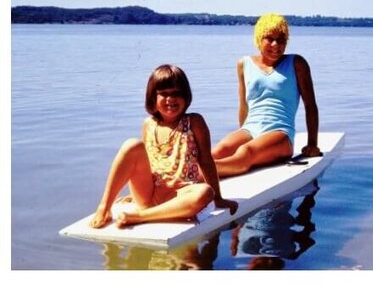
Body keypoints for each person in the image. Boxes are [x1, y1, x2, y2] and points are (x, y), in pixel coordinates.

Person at [90, 64, 238, 229]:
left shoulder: (194, 122)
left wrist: (218, 198)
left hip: (180, 196)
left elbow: (206, 160)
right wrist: (133, 195)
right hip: (150, 194)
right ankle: (104, 207)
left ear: (186, 96)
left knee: (205, 192)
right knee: (132, 145)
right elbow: (145, 165)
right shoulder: (148, 124)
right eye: (164, 94)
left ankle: (141, 216)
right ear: (153, 98)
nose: (170, 99)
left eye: (176, 94)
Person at [212, 12, 321, 177]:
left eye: (281, 39)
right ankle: (179, 175)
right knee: (218, 151)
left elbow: (310, 106)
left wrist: (312, 144)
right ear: (258, 39)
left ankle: (194, 174)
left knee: (246, 151)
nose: (276, 45)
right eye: (269, 39)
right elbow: (244, 105)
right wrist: (242, 132)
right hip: (250, 129)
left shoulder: (297, 63)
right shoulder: (244, 64)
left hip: (280, 133)